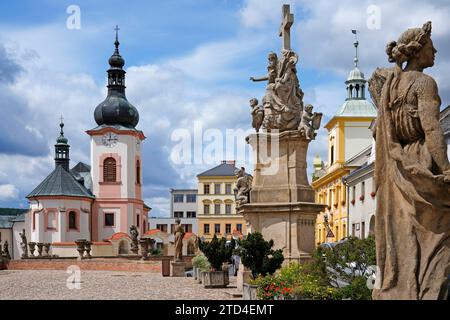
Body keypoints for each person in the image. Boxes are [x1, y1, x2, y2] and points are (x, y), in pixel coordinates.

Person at [369, 21, 450, 300]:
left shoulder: (391, 85)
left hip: (395, 168)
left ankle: (401, 288)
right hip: (419, 163)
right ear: (417, 52)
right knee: (436, 231)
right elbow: (432, 130)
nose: (435, 50)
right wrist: (447, 169)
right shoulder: (424, 83)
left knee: (400, 231)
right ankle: (425, 290)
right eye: (430, 46)